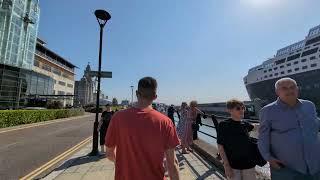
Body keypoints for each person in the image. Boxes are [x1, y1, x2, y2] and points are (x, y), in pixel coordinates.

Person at [105, 77, 180, 180]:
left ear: (136, 93)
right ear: (155, 96)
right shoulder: (165, 122)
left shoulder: (118, 118)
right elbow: (172, 164)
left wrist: (122, 163)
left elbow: (109, 153)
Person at [258, 78, 320, 180]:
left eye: (292, 87)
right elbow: (263, 138)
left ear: (297, 89)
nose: (289, 90)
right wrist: (268, 158)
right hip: (287, 169)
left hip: (315, 165)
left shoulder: (309, 105)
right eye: (284, 88)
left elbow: (315, 125)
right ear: (277, 92)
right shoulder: (267, 111)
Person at [217, 99, 257, 180]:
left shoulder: (245, 124)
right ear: (230, 110)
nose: (242, 110)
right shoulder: (224, 125)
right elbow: (220, 145)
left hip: (249, 164)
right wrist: (226, 166)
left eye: (243, 108)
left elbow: (256, 127)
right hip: (233, 165)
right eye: (238, 108)